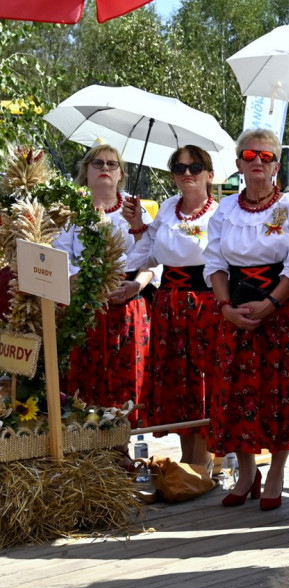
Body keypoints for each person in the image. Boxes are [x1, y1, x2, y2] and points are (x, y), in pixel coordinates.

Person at [204, 129, 289, 510]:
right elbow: (215, 263)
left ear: (276, 166)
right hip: (235, 310)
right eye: (250, 155)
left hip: (280, 311)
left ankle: (277, 472)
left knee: (279, 393)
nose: (257, 162)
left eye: (266, 157)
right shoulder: (225, 210)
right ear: (238, 164)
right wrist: (225, 308)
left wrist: (270, 303)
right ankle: (247, 471)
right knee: (237, 391)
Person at [124, 146, 218, 468]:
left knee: (201, 380)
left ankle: (202, 462)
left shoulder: (219, 214)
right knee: (178, 381)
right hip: (168, 304)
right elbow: (146, 254)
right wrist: (137, 224)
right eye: (179, 168)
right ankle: (188, 459)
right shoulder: (165, 209)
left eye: (195, 167)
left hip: (203, 303)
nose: (187, 174)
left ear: (210, 174)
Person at [55, 144, 154, 423]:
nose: (105, 169)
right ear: (85, 171)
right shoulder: (71, 211)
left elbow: (152, 261)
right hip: (83, 307)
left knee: (124, 385)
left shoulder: (136, 212)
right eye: (97, 163)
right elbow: (60, 256)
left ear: (121, 174)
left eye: (112, 164)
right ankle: (86, 452)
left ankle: (122, 451)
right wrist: (85, 283)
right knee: (82, 385)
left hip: (126, 306)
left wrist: (135, 286)